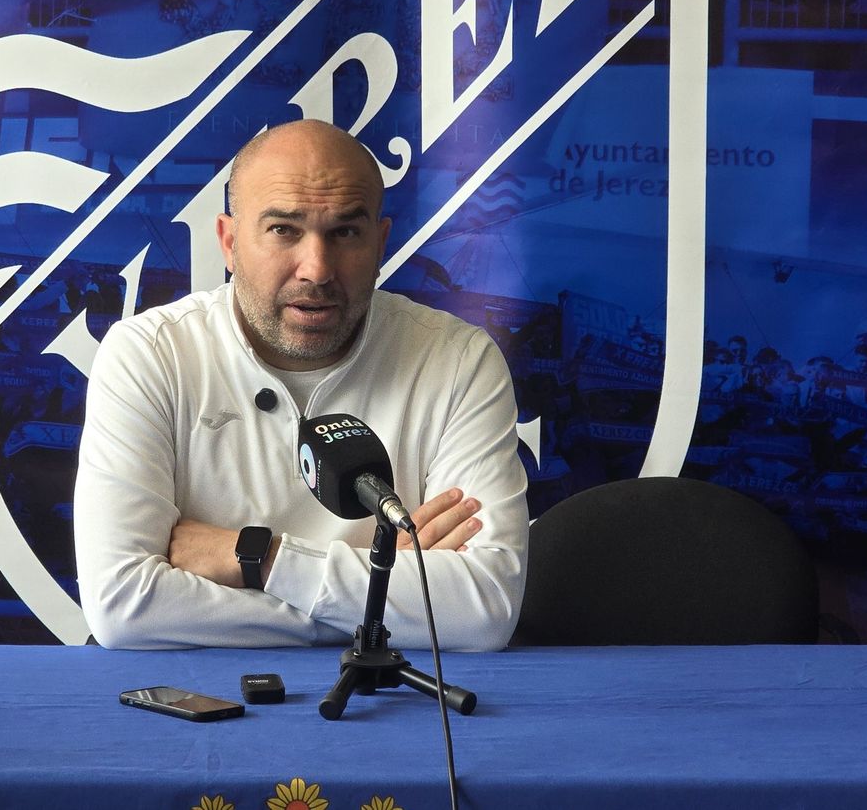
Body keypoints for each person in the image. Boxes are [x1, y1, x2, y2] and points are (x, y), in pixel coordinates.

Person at [72, 120, 528, 650]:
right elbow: (122, 605)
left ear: (380, 243)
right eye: (283, 230)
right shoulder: (150, 354)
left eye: (345, 233)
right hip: (205, 692)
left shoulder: (459, 360)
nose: (316, 269)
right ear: (229, 242)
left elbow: (484, 609)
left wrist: (259, 559)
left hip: (390, 695)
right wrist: (383, 598)